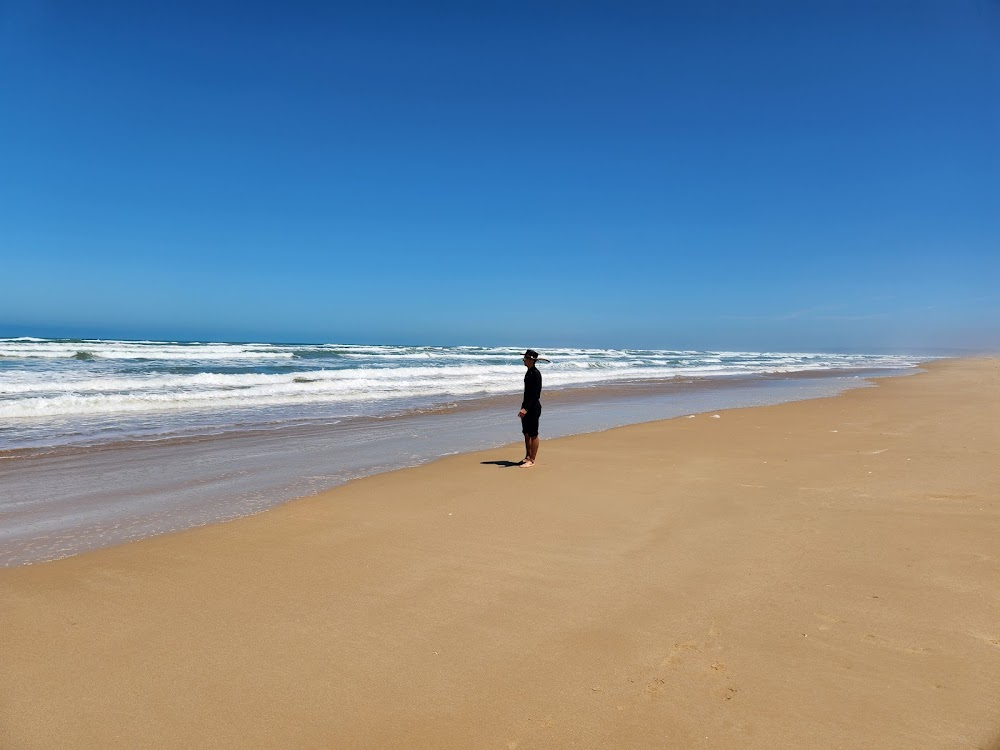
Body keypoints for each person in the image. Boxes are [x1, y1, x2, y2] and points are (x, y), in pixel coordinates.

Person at [518, 349, 547, 467]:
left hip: (533, 408)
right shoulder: (528, 372)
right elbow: (527, 393)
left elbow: (536, 394)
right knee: (526, 433)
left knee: (533, 434)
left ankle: (532, 460)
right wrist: (523, 407)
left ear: (531, 360)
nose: (523, 360)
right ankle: (527, 456)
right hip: (526, 406)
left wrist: (526, 408)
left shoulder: (536, 374)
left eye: (525, 358)